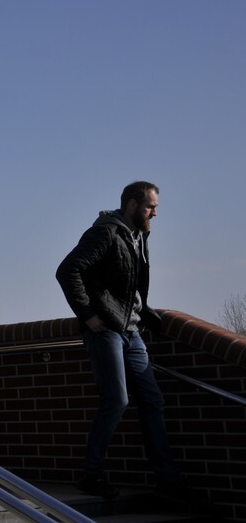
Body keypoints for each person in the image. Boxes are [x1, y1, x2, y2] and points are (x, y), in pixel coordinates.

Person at [56, 181, 189, 501]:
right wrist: (89, 315)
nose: (154, 213)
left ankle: (167, 478)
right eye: (149, 206)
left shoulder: (139, 235)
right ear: (131, 205)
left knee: (153, 401)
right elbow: (67, 271)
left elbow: (130, 285)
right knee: (116, 400)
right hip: (106, 330)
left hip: (132, 330)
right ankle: (92, 474)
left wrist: (145, 312)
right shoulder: (105, 233)